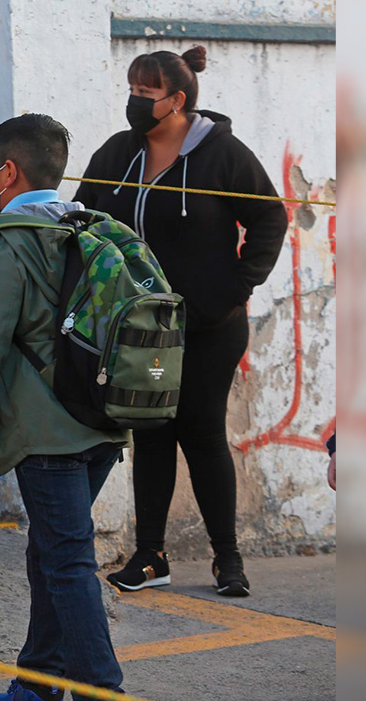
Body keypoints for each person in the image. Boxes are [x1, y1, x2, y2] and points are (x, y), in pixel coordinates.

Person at [75, 46, 288, 597]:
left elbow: (270, 214)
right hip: (139, 330)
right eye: (132, 91)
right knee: (149, 435)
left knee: (202, 434)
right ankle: (150, 556)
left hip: (210, 325)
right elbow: (83, 217)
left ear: (178, 100)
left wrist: (235, 287)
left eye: (145, 94)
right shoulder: (117, 153)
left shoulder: (222, 155)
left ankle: (228, 559)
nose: (134, 102)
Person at [0, 114, 130, 701]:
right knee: (51, 554)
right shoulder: (94, 228)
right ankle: (36, 683)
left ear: (10, 168)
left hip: (45, 432)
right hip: (104, 421)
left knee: (68, 562)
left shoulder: (7, 239)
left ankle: (100, 690)